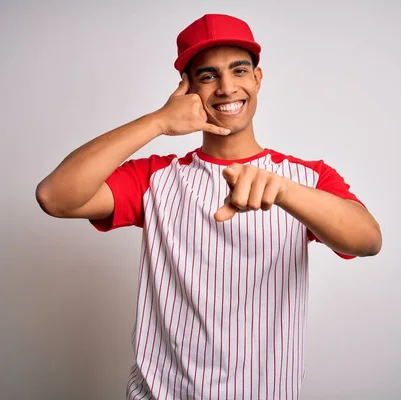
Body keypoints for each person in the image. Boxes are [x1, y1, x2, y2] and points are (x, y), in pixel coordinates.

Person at [36, 13, 382, 400]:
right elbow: (56, 196)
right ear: (187, 89)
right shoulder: (155, 179)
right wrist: (158, 122)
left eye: (239, 70)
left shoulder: (306, 178)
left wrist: (283, 192)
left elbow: (367, 240)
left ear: (258, 79)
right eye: (208, 76)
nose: (227, 87)